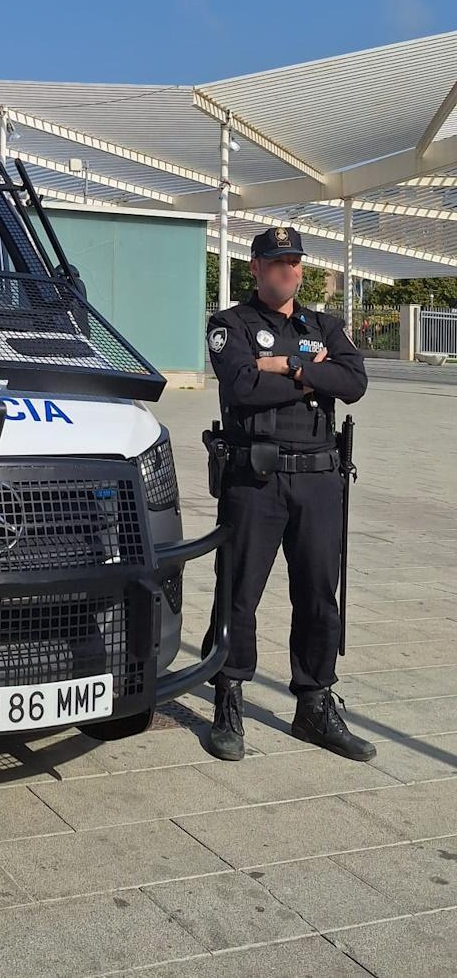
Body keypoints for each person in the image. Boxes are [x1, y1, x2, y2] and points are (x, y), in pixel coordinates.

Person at [203, 226, 376, 762]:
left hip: (319, 481)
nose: (290, 271)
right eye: (278, 262)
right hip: (256, 480)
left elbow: (353, 383)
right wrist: (313, 374)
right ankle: (228, 698)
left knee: (320, 594)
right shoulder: (229, 325)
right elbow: (242, 387)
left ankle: (315, 703)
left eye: (296, 262)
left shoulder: (323, 324)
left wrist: (292, 367)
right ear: (255, 268)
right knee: (239, 593)